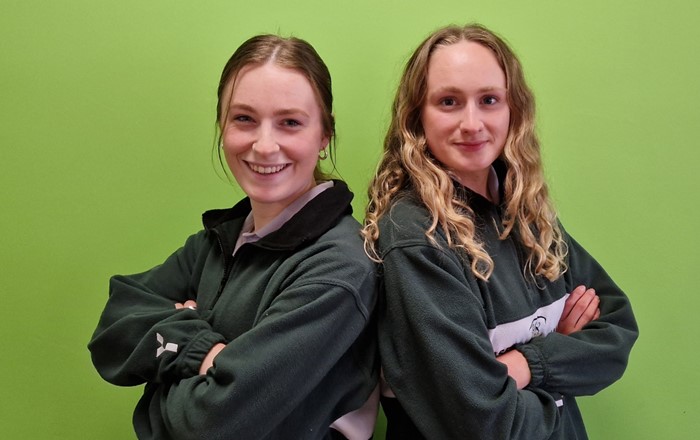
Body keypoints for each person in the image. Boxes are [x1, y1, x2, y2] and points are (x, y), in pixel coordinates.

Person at [89, 34, 379, 440]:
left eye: (290, 122)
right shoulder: (220, 240)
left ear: (324, 135)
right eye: (244, 118)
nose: (263, 145)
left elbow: (212, 426)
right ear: (222, 126)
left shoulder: (340, 268)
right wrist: (203, 351)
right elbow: (113, 326)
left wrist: (163, 376)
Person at [362, 23, 638, 439]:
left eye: (489, 100)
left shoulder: (527, 214)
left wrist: (527, 365)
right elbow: (481, 420)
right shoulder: (415, 237)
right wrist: (562, 361)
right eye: (449, 101)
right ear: (417, 116)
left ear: (514, 110)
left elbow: (616, 332)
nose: (472, 123)